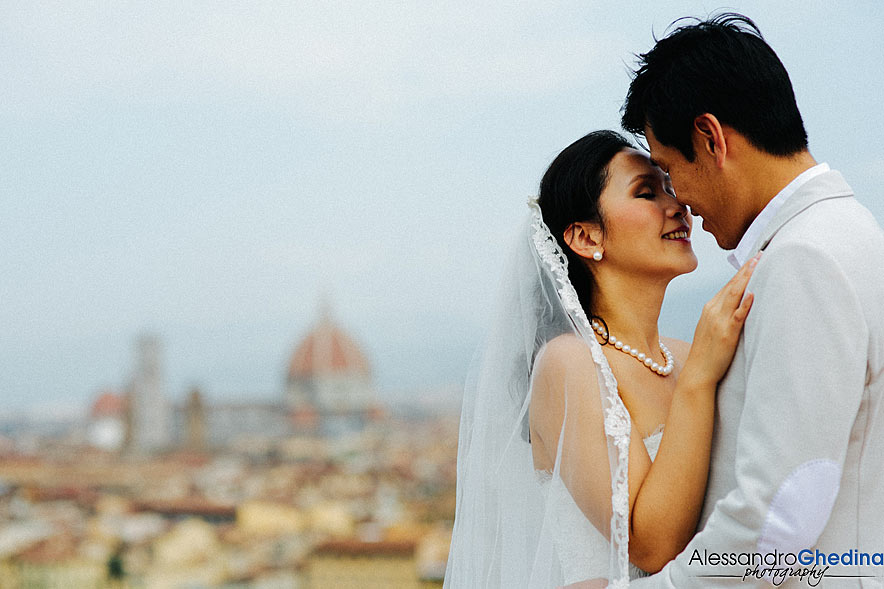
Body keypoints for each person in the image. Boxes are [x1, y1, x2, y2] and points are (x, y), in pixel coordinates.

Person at [620, 14, 884, 587]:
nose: (681, 203)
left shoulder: (804, 259)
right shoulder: (852, 232)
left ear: (711, 139)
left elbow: (778, 516)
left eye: (670, 170)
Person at [444, 129, 757, 588]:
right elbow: (650, 546)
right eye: (647, 192)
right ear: (586, 237)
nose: (677, 206)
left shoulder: (693, 353)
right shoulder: (570, 363)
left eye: (669, 186)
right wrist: (700, 379)